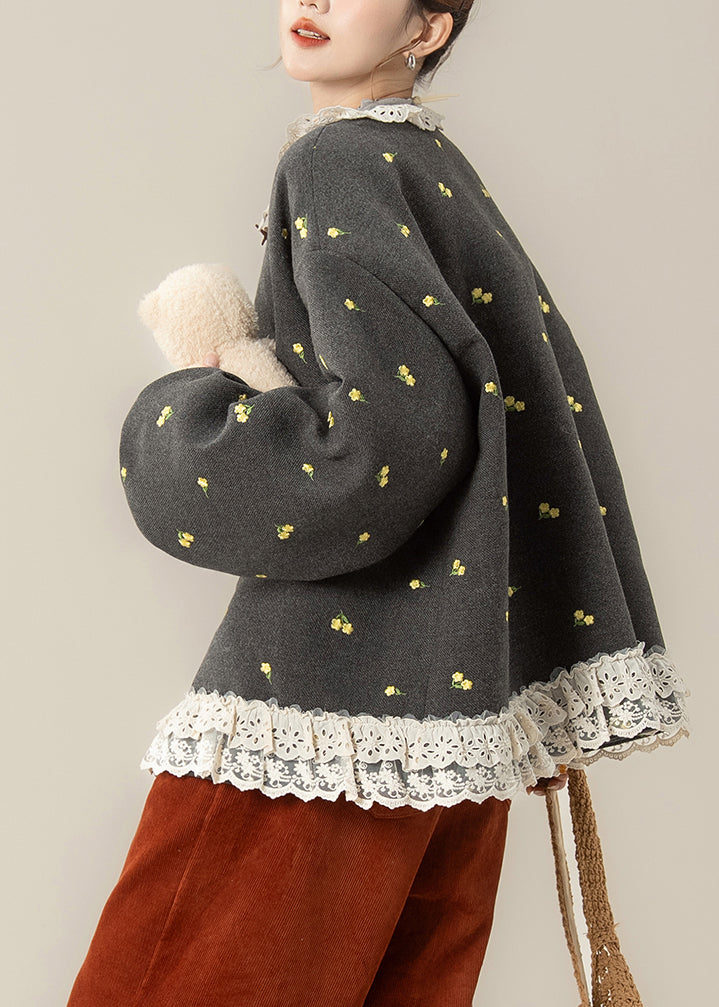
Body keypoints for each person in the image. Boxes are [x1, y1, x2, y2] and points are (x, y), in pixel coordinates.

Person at [66, 2, 690, 1005]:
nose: (311, 0)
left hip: (330, 697)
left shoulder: (339, 161)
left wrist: (186, 413)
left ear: (426, 29)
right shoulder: (431, 166)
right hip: (452, 704)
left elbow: (376, 448)